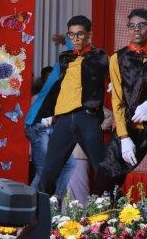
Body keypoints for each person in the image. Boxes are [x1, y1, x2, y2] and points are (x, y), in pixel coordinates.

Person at [94, 8, 147, 198]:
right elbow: (117, 100)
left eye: (142, 25)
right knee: (107, 172)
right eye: (132, 26)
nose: (136, 29)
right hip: (132, 125)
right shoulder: (117, 58)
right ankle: (105, 213)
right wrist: (124, 137)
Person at [39, 15, 109, 196]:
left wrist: (114, 85)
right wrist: (49, 112)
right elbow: (57, 86)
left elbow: (110, 74)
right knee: (48, 172)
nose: (76, 39)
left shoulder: (99, 56)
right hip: (63, 119)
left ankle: (110, 210)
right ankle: (43, 210)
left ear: (89, 35)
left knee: (102, 169)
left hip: (87, 117)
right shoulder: (65, 58)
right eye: (71, 35)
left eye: (80, 34)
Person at [24, 65, 75, 197]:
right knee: (43, 172)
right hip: (39, 126)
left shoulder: (63, 85)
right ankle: (28, 203)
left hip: (51, 128)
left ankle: (55, 201)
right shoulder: (42, 93)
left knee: (69, 164)